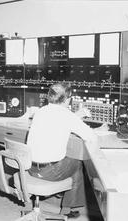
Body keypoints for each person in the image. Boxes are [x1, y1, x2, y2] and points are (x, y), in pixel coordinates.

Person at [27, 82, 98, 216]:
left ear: (49, 97)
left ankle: (67, 205)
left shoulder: (40, 112)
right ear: (68, 99)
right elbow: (91, 137)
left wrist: (75, 116)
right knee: (77, 162)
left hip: (30, 169)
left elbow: (55, 121)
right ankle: (68, 209)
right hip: (48, 172)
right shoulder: (67, 116)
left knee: (69, 160)